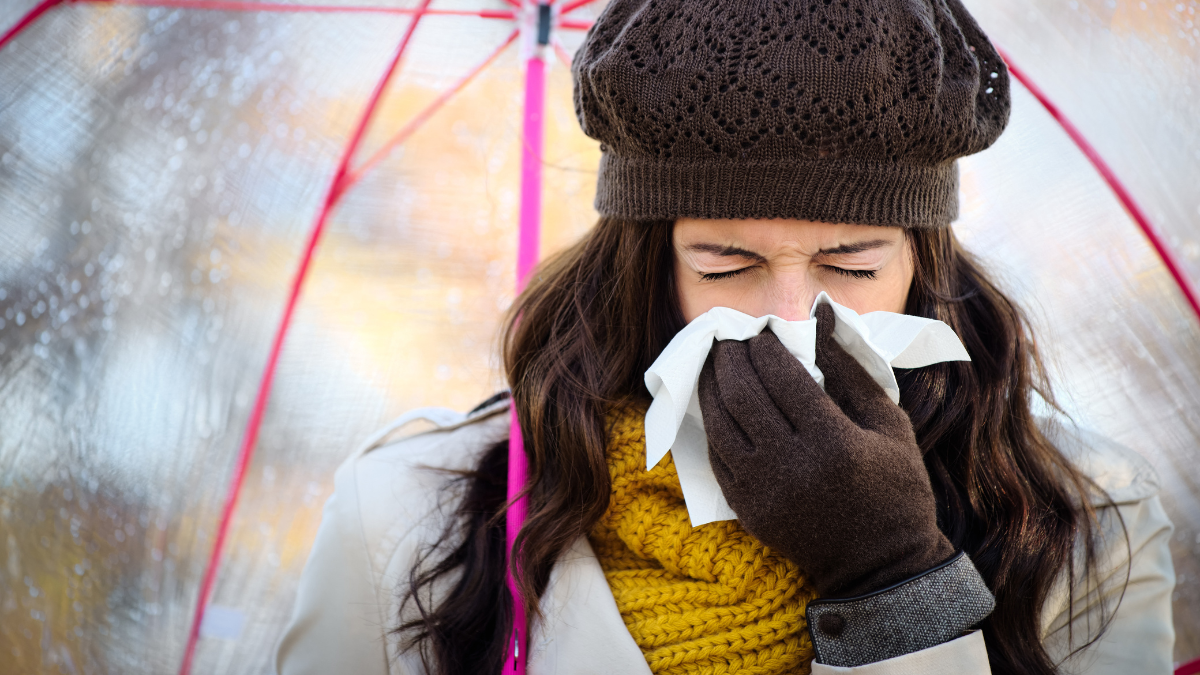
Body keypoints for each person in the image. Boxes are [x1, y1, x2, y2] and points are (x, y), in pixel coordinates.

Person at [273, 0, 1176, 673]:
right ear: (645, 268)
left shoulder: (1084, 525)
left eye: (853, 266)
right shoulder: (405, 514)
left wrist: (897, 583)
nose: (790, 320)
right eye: (725, 261)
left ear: (923, 263)